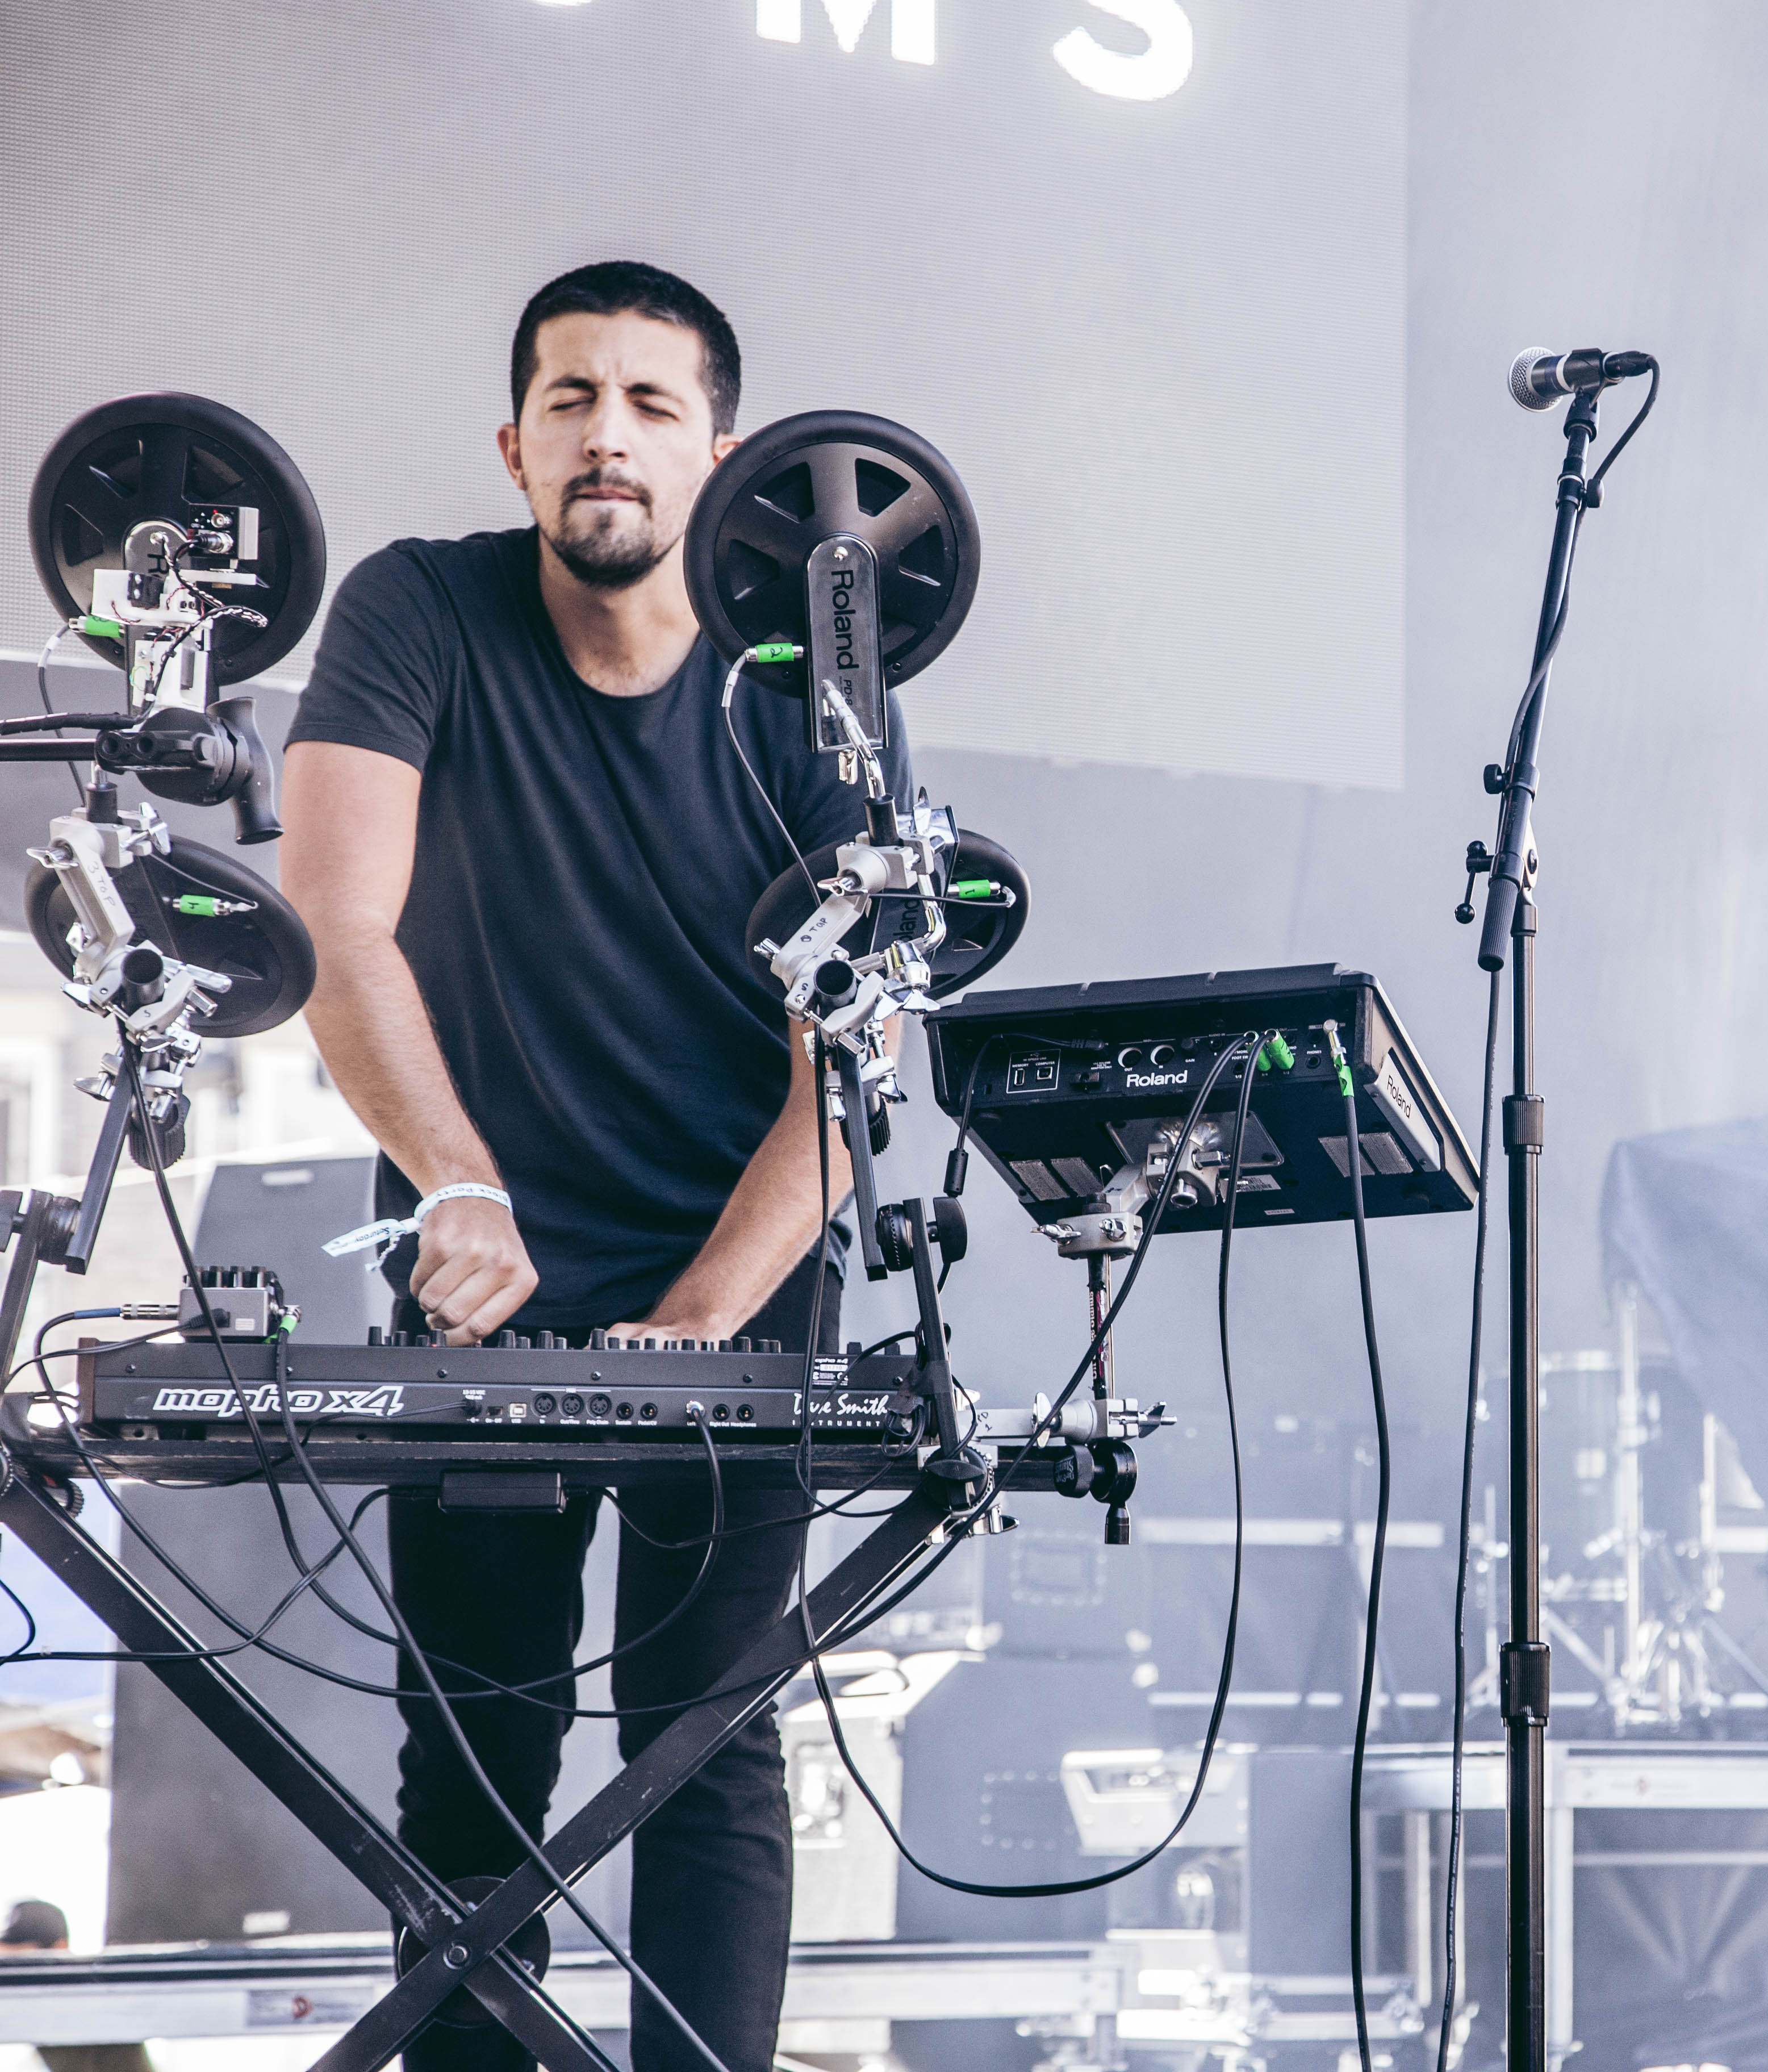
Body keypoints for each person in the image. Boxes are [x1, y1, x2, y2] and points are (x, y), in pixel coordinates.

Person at [282, 260, 901, 2072]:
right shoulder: (420, 607)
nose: (606, 436)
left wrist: (705, 1319)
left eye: (648, 403)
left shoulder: (820, 679)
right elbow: (335, 926)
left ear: (721, 453)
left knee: (702, 1750)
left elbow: (854, 1053)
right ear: (517, 445)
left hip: (742, 1268)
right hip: (487, 1277)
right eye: (570, 400)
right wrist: (456, 1183)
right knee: (474, 1759)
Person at [0, 1899, 155, 2072]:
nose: (12, 1978)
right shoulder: (35, 2015)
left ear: (59, 1949)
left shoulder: (90, 2005)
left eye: (20, 1963)